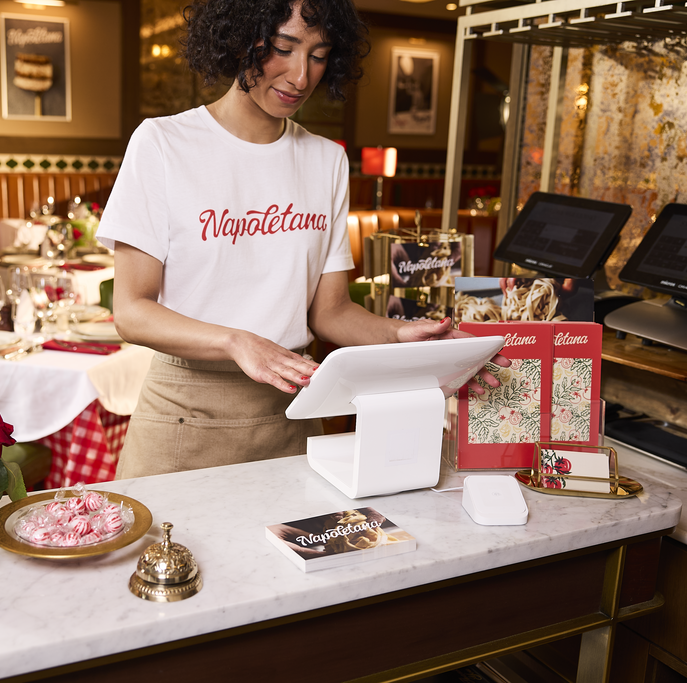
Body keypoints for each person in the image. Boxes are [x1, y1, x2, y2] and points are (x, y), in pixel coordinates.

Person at [96, 0, 510, 478]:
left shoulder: (325, 160)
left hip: (291, 413)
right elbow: (131, 312)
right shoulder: (163, 144)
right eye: (282, 48)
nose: (300, 76)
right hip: (186, 416)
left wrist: (399, 336)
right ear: (236, 39)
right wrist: (236, 341)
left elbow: (329, 312)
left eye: (318, 55)